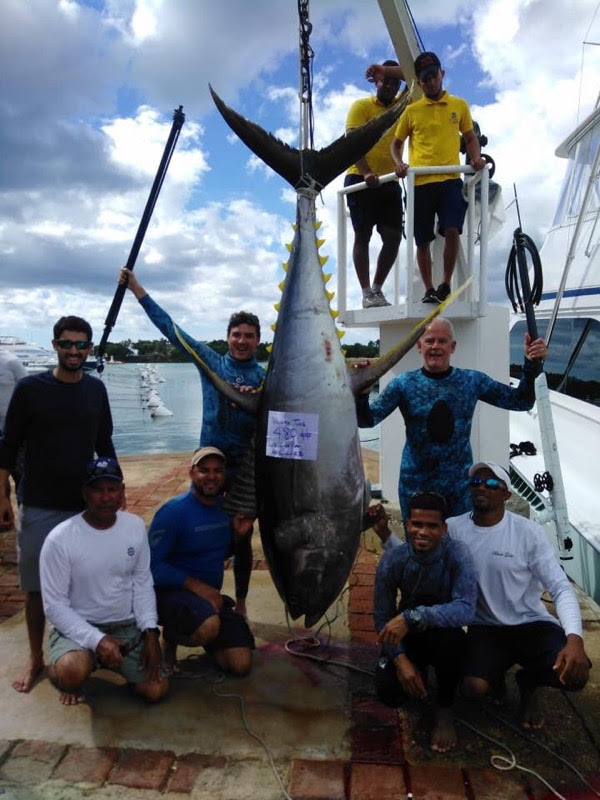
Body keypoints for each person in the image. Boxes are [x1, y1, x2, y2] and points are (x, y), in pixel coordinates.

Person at [120, 267, 265, 619]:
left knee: (242, 537)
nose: (242, 341)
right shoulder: (211, 362)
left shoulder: (265, 378)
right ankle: (197, 597)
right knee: (201, 530)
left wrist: (258, 398)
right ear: (227, 337)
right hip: (210, 462)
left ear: (258, 340)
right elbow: (171, 330)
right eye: (236, 335)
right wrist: (137, 288)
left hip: (245, 469)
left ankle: (241, 603)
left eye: (249, 336)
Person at [0, 316, 115, 693]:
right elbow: (8, 446)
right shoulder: (31, 389)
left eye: (81, 345)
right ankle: (36, 656)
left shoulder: (96, 390)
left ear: (89, 349)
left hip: (82, 506)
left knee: (80, 585)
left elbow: (106, 445)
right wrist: (2, 495)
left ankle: (76, 653)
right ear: (54, 345)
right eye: (67, 344)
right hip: (39, 504)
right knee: (35, 588)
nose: (74, 351)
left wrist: (118, 490)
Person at [357, 317, 548, 521]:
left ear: (453, 346)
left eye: (442, 341)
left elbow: (521, 401)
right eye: (430, 341)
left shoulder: (472, 381)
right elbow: (368, 420)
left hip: (459, 490)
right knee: (420, 550)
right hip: (415, 487)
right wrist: (362, 393)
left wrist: (532, 364)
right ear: (419, 346)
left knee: (460, 548)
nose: (436, 347)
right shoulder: (403, 384)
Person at [447, 461, 591, 728]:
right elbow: (419, 553)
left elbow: (560, 587)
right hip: (486, 627)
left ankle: (529, 683)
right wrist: (385, 536)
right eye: (476, 482)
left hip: (531, 624)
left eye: (492, 484)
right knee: (472, 689)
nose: (482, 487)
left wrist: (575, 640)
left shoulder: (529, 532)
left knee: (575, 676)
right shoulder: (454, 528)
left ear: (506, 495)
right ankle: (496, 673)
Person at [40, 458, 168, 706]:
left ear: (122, 492)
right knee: (71, 672)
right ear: (84, 493)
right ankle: (64, 667)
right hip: (79, 626)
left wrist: (151, 633)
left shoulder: (135, 527)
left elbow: (142, 582)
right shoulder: (60, 538)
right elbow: (54, 606)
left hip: (124, 626)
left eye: (112, 489)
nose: (106, 497)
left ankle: (110, 664)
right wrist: (98, 641)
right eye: (97, 489)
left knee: (157, 691)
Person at [371, 492, 476, 751]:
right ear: (407, 525)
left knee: (452, 645)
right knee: (389, 693)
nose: (423, 532)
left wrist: (413, 617)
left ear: (444, 528)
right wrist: (401, 661)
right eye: (417, 524)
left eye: (432, 526)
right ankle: (415, 673)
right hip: (407, 637)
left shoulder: (458, 554)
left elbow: (465, 609)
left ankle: (444, 708)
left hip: (441, 632)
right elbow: (382, 618)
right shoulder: (393, 559)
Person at [387, 52, 487, 303]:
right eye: (425, 79)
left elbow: (471, 138)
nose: (430, 82)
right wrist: (399, 164)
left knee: (452, 230)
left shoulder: (459, 105)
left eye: (433, 76)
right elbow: (396, 144)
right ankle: (428, 288)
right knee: (422, 240)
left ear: (441, 74)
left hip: (450, 179)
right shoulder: (412, 111)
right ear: (419, 83)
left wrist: (476, 158)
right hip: (420, 183)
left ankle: (444, 283)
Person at [148, 446, 255, 677]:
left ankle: (205, 630)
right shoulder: (173, 512)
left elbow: (217, 552)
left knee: (240, 664)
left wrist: (238, 536)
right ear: (191, 473)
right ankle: (171, 637)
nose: (211, 476)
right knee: (208, 627)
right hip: (171, 594)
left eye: (217, 470)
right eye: (204, 470)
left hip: (208, 601)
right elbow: (150, 566)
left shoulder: (225, 511)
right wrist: (198, 587)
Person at [345, 60, 406, 308]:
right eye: (386, 80)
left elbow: (413, 75)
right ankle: (365, 291)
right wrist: (367, 171)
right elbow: (353, 140)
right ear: (376, 82)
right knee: (363, 235)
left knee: (392, 238)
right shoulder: (361, 106)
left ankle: (378, 289)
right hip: (361, 178)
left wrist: (387, 70)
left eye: (394, 81)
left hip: (389, 181)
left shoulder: (404, 106)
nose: (390, 85)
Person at [0, 349, 27, 526]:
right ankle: (4, 517)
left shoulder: (11, 362)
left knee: (20, 477)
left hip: (15, 433)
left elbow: (28, 392)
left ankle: (25, 518)